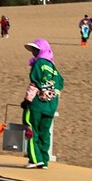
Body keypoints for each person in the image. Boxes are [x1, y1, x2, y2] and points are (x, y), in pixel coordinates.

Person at [21, 39, 63, 169]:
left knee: (31, 129)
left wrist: (27, 100)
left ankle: (35, 158)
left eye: (36, 50)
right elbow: (60, 84)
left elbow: (34, 83)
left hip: (37, 104)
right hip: (50, 106)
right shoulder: (53, 67)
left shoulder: (39, 63)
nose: (33, 52)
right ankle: (44, 160)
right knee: (45, 132)